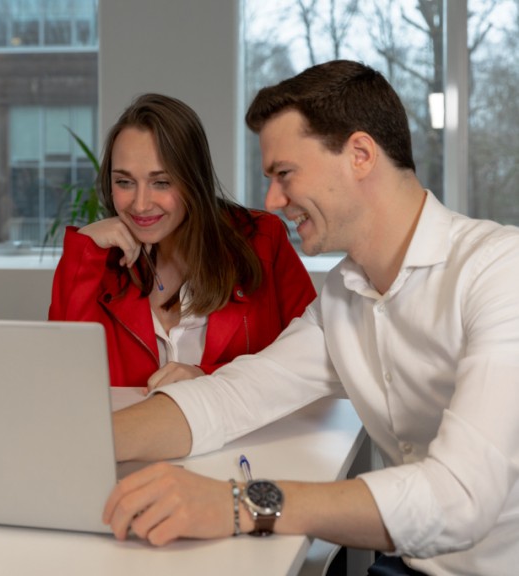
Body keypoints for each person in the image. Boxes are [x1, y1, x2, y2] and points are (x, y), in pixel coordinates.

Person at [102, 61, 519, 575]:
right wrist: (75, 439)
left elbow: (460, 499)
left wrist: (239, 504)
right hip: (408, 563)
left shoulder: (501, 271)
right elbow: (234, 395)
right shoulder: (343, 299)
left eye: (284, 175)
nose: (272, 201)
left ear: (360, 155)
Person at [48, 93, 315, 388]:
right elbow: (63, 377)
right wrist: (83, 251)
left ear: (192, 181)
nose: (140, 204)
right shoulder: (98, 260)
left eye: (161, 182)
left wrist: (208, 378)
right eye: (124, 182)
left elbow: (309, 360)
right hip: (130, 434)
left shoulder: (263, 240)